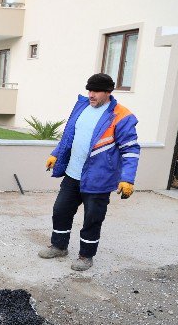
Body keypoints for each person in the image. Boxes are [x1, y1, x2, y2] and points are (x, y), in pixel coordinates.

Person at [39, 73, 140, 271]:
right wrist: (56, 154)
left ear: (108, 92)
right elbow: (69, 136)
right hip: (73, 174)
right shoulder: (82, 106)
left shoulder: (122, 116)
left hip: (99, 179)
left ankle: (86, 256)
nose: (91, 94)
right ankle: (59, 246)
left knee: (92, 218)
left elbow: (131, 149)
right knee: (60, 210)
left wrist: (127, 178)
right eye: (89, 90)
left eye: (96, 91)